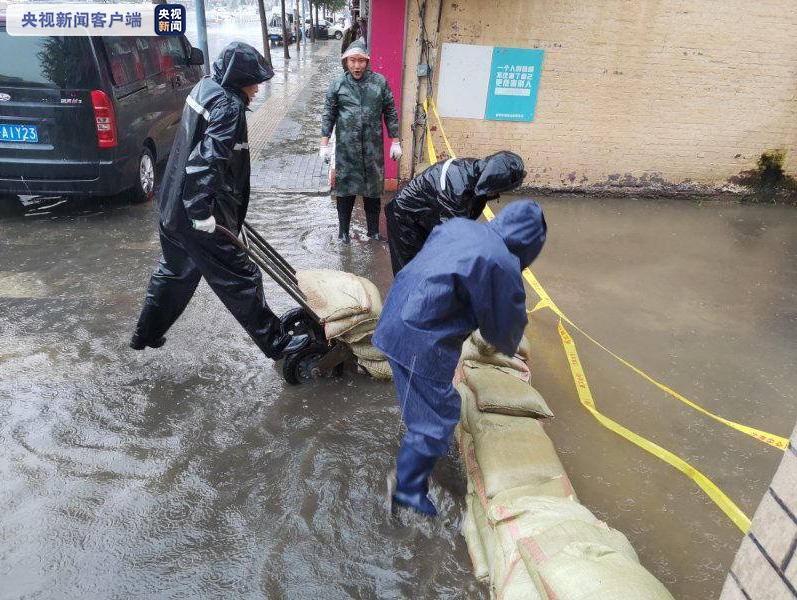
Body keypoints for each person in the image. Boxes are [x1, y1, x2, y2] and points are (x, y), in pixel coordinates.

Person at [130, 42, 308, 359]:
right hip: (195, 212)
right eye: (254, 82)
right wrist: (201, 211)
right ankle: (278, 344)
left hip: (172, 203)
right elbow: (205, 161)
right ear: (240, 79)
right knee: (240, 275)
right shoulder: (228, 106)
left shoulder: (206, 88)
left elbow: (196, 150)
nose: (257, 89)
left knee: (175, 274)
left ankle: (146, 334)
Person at [373, 200, 547, 517]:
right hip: (422, 338)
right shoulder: (501, 262)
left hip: (395, 316)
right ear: (530, 245)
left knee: (425, 402)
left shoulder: (460, 226)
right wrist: (503, 343)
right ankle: (406, 491)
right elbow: (504, 328)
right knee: (438, 418)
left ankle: (412, 457)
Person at [384, 151, 526, 275]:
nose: (500, 193)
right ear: (495, 182)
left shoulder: (478, 178)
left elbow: (466, 224)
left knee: (429, 265)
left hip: (427, 216)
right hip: (404, 216)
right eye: (501, 189)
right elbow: (452, 235)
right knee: (409, 271)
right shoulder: (457, 187)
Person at [320, 40, 401, 244]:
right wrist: (324, 143)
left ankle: (373, 232)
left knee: (373, 193)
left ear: (367, 61)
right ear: (346, 62)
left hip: (373, 149)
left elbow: (390, 112)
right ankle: (343, 233)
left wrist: (395, 141)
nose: (357, 66)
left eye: (361, 61)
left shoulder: (379, 83)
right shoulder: (337, 84)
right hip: (346, 150)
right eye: (352, 61)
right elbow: (328, 115)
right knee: (345, 192)